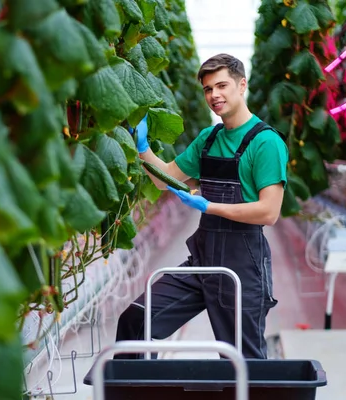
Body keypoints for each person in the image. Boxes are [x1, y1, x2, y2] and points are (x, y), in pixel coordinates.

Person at [115, 53, 289, 359]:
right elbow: (164, 179)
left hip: (242, 268)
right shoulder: (208, 139)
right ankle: (135, 388)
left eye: (222, 85)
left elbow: (268, 212)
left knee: (243, 361)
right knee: (136, 321)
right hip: (202, 262)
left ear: (242, 85)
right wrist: (142, 148)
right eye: (208, 89)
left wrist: (209, 206)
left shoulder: (266, 142)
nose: (214, 95)